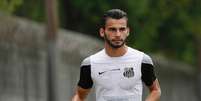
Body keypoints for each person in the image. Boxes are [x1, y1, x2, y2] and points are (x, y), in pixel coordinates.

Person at [72, 9, 161, 101]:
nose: (118, 34)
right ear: (102, 32)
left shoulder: (142, 60)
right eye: (112, 29)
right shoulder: (89, 64)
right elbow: (79, 96)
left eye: (122, 29)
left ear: (128, 31)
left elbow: (155, 90)